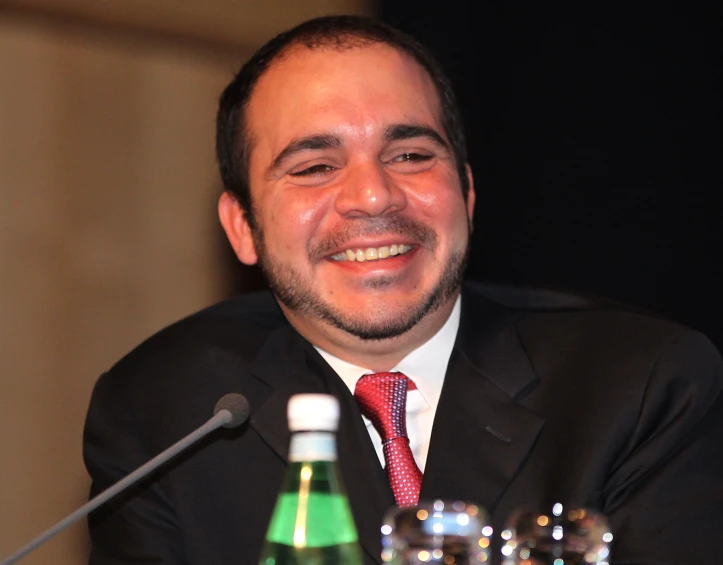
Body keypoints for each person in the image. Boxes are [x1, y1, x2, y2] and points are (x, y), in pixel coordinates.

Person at [83, 15, 723, 565]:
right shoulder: (164, 415)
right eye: (314, 168)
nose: (373, 195)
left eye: (412, 155)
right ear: (243, 227)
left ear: (466, 195)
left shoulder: (645, 387)